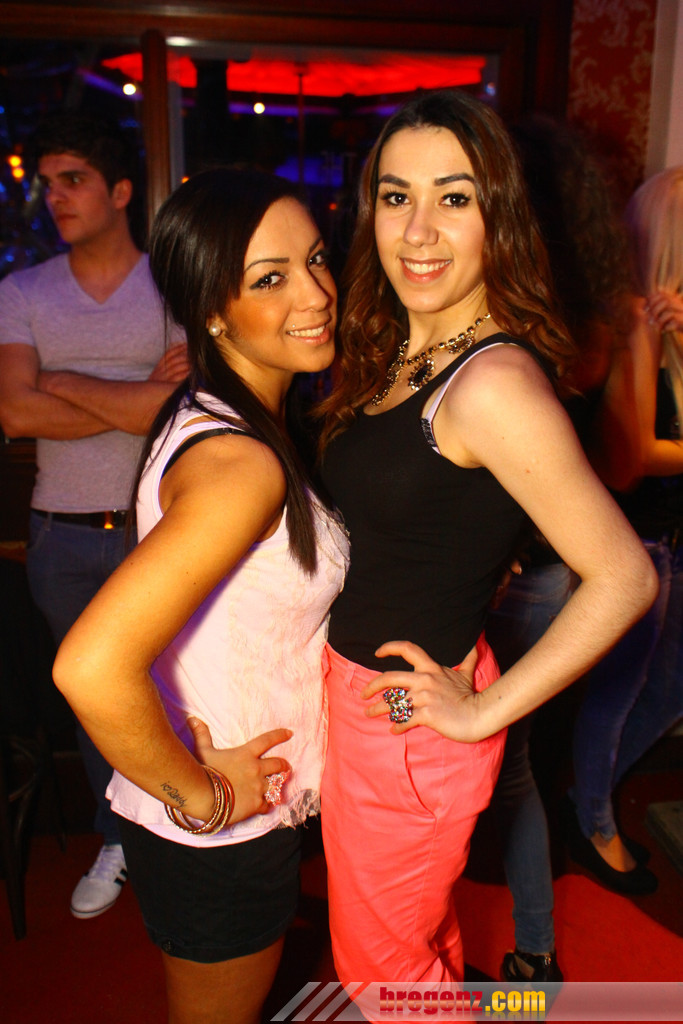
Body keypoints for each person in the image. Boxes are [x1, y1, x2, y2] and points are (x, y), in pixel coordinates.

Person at [316, 89, 657, 1004]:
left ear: (497, 214)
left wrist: (480, 715)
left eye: (454, 198)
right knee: (410, 951)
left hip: (406, 732)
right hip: (369, 707)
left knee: (384, 980)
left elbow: (622, 576)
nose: (417, 231)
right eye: (396, 196)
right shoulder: (399, 347)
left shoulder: (490, 383)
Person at [52, 167, 348, 1024]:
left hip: (229, 812)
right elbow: (90, 666)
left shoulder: (220, 415)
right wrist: (203, 795)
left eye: (314, 259)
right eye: (270, 278)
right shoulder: (238, 462)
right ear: (213, 313)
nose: (315, 293)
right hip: (221, 829)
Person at [0, 110, 188, 920]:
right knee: (94, 698)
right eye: (48, 183)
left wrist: (64, 382)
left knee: (178, 691)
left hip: (161, 530)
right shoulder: (22, 291)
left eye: (72, 180)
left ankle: (183, 828)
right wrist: (134, 393)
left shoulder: (172, 284)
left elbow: (178, 408)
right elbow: (14, 412)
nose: (55, 197)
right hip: (60, 534)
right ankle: (119, 836)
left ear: (119, 191)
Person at [484, 114, 633, 984]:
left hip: (520, 569)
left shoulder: (521, 315)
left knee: (501, 763)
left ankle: (525, 955)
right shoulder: (584, 310)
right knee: (510, 765)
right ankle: (530, 949)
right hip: (542, 566)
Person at [563, 166, 683, 895]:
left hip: (670, 537)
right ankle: (594, 821)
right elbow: (633, 458)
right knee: (617, 691)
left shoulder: (668, 320)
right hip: (632, 539)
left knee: (669, 689)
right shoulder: (631, 315)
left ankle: (587, 792)